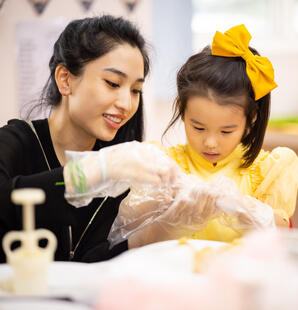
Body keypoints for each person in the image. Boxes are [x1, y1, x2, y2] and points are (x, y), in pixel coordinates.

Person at [0, 15, 178, 263]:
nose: (126, 104)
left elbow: (88, 261)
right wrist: (87, 175)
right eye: (113, 83)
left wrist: (154, 231)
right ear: (65, 79)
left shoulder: (116, 163)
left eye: (135, 90)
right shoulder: (15, 142)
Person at [108, 24, 298, 247]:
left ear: (251, 120)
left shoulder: (270, 170)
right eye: (198, 127)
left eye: (226, 131)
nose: (210, 143)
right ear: (182, 109)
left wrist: (244, 208)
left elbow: (281, 236)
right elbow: (130, 230)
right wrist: (162, 211)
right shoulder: (163, 166)